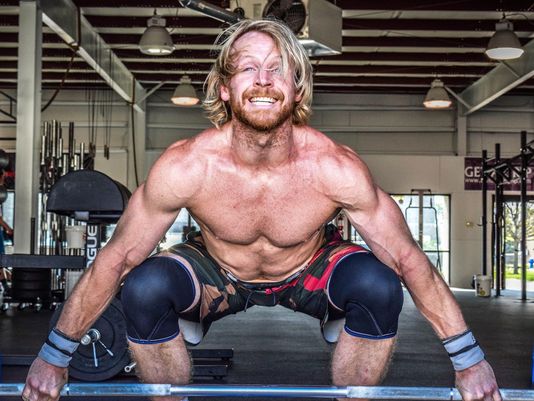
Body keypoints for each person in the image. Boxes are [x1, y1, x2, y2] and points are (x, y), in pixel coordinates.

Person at [23, 19, 500, 401]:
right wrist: (55, 354)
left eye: (277, 69)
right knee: (144, 288)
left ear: (297, 87)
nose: (264, 80)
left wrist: (469, 360)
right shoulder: (188, 165)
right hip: (218, 271)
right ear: (225, 88)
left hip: (308, 268)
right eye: (247, 68)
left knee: (379, 284)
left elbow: (408, 259)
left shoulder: (334, 167)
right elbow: (118, 256)